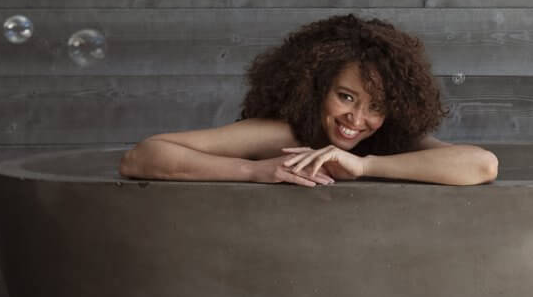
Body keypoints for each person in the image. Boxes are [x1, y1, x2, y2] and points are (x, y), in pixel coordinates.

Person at [120, 14, 498, 186]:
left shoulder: (385, 138)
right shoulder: (282, 134)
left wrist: (363, 166)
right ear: (316, 88)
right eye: (346, 97)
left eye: (376, 107)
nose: (357, 119)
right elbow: (141, 156)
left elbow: (482, 165)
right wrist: (253, 171)